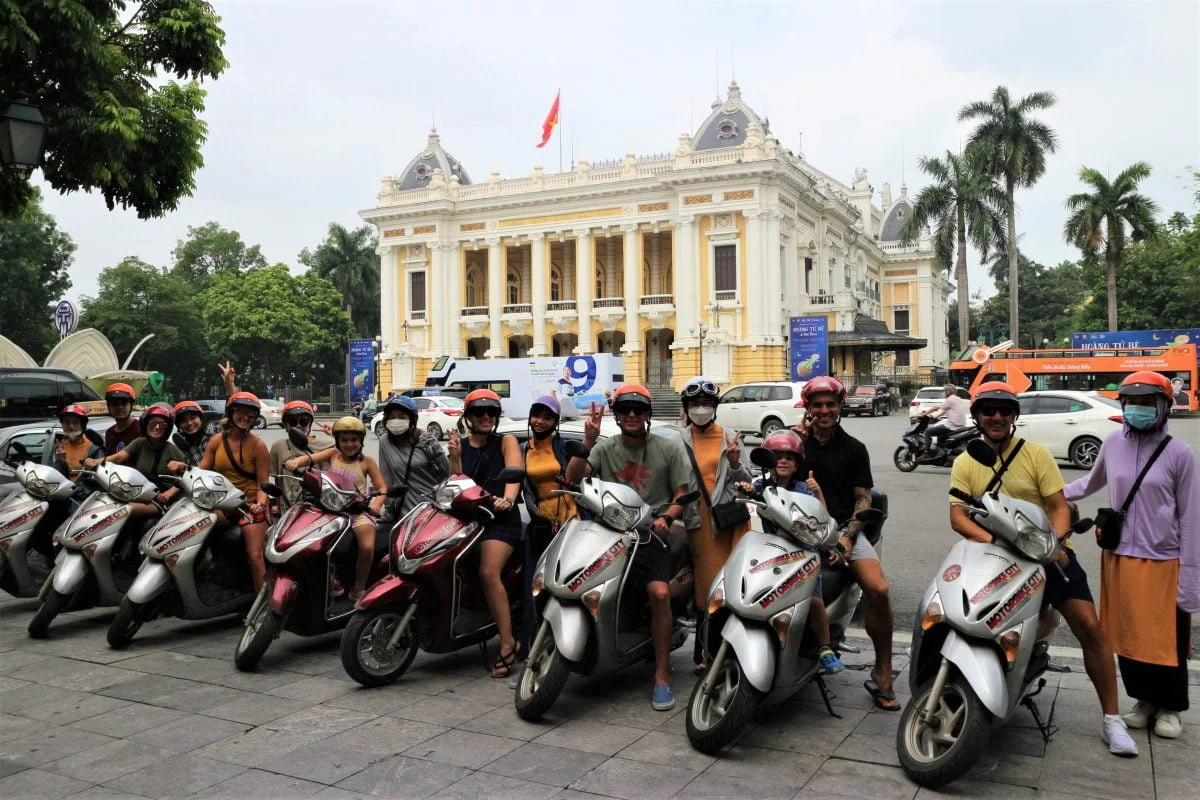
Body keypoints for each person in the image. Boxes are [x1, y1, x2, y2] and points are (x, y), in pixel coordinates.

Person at [949, 381, 1138, 756]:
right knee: (956, 613)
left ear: (1014, 416)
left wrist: (1055, 543)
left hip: (1043, 554)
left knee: (1089, 627)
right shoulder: (966, 460)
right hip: (992, 557)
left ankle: (1112, 719)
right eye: (989, 410)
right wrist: (994, 542)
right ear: (978, 416)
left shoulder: (1035, 454)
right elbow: (958, 515)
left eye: (1005, 410)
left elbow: (1058, 505)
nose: (997, 417)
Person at [1063, 372, 1198, 739]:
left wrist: (1190, 578)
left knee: (1164, 638)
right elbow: (1088, 484)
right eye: (1132, 402)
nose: (1138, 409)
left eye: (1147, 403)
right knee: (1126, 633)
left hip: (1163, 559)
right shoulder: (1112, 445)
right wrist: (1048, 494)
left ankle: (1171, 706)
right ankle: (1143, 700)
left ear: (1164, 407)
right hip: (1120, 555)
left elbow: (1190, 518)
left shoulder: (1179, 454)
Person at [564, 384, 691, 711]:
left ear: (647, 414)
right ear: (617, 416)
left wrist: (666, 518)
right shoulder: (604, 449)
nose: (632, 415)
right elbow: (573, 479)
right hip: (607, 534)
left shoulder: (668, 448)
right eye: (625, 410)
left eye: (638, 410)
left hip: (649, 535)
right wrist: (587, 442)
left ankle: (661, 676)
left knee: (660, 594)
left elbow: (681, 495)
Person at [793, 376, 898, 710]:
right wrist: (791, 443)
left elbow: (863, 500)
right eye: (817, 405)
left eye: (830, 405)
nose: (824, 411)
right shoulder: (796, 444)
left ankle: (883, 671)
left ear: (839, 408)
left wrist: (848, 540)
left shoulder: (854, 449)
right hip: (798, 528)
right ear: (808, 408)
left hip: (843, 530)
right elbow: (772, 481)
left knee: (878, 590)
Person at [745, 430, 845, 674]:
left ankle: (824, 647)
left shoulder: (803, 489)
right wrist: (746, 489)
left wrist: (818, 492)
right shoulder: (762, 485)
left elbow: (821, 516)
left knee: (814, 600)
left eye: (789, 457)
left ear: (797, 463)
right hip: (770, 551)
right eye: (777, 456)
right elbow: (747, 497)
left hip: (802, 554)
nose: (782, 461)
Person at [675, 377, 752, 674]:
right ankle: (704, 653)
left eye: (706, 404)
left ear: (716, 407)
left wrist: (734, 462)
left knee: (728, 587)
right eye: (694, 404)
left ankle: (720, 651)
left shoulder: (730, 437)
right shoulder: (677, 440)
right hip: (696, 523)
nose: (701, 409)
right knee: (706, 589)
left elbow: (746, 482)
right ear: (686, 407)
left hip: (728, 522)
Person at [447, 389, 524, 678]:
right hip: (468, 521)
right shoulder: (461, 445)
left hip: (499, 520)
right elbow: (456, 481)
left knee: (488, 572)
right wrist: (454, 456)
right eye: (479, 412)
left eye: (491, 412)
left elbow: (515, 471)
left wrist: (508, 498)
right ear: (468, 417)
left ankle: (506, 644)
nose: (485, 417)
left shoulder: (506, 441)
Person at [286, 417, 386, 598]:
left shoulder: (367, 462)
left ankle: (359, 587)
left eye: (354, 440)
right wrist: (296, 463)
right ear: (338, 441)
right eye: (345, 440)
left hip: (357, 511)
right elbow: (309, 458)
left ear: (361, 441)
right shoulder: (332, 454)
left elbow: (382, 488)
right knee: (312, 544)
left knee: (367, 547)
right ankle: (330, 578)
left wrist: (377, 504)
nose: (350, 444)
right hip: (330, 509)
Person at [517, 395, 580, 661]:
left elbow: (580, 476)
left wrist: (588, 441)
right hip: (542, 522)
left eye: (547, 417)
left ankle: (570, 646)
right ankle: (529, 649)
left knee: (570, 585)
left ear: (556, 422)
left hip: (572, 521)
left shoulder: (564, 446)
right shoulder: (523, 450)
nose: (540, 422)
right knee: (534, 586)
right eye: (537, 416)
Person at [192, 392, 272, 589]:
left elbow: (263, 485)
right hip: (224, 506)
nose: (245, 418)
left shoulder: (258, 445)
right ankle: (204, 570)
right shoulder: (217, 441)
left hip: (249, 507)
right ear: (231, 413)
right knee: (190, 526)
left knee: (254, 556)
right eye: (241, 412)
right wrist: (182, 471)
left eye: (251, 415)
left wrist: (260, 505)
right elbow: (200, 471)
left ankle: (264, 607)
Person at [84, 403, 187, 519]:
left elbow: (185, 479)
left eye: (162, 424)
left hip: (163, 501)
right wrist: (96, 462)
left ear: (167, 428)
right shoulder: (140, 443)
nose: (157, 427)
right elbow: (118, 457)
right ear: (145, 424)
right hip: (142, 495)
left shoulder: (172, 450)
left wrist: (168, 494)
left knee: (121, 511)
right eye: (153, 422)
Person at [375, 396, 449, 520]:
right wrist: (388, 510)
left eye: (402, 417)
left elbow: (447, 474)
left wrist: (455, 454)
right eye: (391, 417)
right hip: (403, 514)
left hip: (431, 510)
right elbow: (386, 478)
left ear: (412, 420)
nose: (396, 421)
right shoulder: (385, 441)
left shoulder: (427, 440)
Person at [269, 400, 334, 512]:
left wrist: (334, 433)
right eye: (293, 422)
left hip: (318, 508)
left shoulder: (326, 445)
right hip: (289, 509)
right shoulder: (279, 446)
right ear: (285, 424)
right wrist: (279, 508)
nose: (298, 425)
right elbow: (278, 481)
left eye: (303, 421)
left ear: (309, 424)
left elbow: (350, 449)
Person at [920, 383, 969, 454]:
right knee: (940, 434)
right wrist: (935, 416)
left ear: (948, 392)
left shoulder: (949, 400)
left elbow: (936, 408)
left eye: (945, 391)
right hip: (961, 425)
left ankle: (927, 453)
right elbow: (946, 410)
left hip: (952, 426)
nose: (945, 393)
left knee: (927, 432)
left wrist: (923, 414)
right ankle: (942, 452)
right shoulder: (958, 399)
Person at [103, 383, 140, 454]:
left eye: (124, 403)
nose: (120, 407)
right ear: (108, 406)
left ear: (131, 405)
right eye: (115, 404)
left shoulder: (141, 429)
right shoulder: (109, 433)